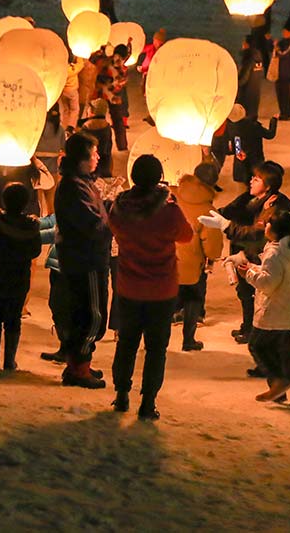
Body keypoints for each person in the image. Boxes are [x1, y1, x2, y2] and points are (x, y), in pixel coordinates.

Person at [107, 154, 193, 420]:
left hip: (129, 286)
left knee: (127, 343)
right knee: (156, 348)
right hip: (161, 289)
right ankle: (148, 402)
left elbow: (112, 228)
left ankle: (122, 394)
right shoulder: (168, 211)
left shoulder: (120, 208)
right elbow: (186, 235)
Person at [205, 161, 290, 344]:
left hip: (255, 254)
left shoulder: (275, 206)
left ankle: (254, 330)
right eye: (253, 177)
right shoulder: (249, 198)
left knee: (253, 293)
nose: (252, 181)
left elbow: (256, 233)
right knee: (243, 291)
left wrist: (227, 225)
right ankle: (247, 325)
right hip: (241, 250)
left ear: (268, 186)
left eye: (257, 179)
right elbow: (229, 211)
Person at [54, 131, 113, 390]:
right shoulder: (74, 187)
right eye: (94, 153)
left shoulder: (81, 182)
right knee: (92, 316)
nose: (98, 157)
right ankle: (78, 368)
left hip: (88, 256)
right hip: (85, 258)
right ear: (82, 158)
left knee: (86, 313)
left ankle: (80, 364)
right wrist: (112, 216)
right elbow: (92, 224)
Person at [235, 210, 290, 402]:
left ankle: (280, 380)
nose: (264, 226)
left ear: (275, 230)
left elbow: (268, 283)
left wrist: (248, 275)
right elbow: (276, 274)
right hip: (286, 306)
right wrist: (253, 267)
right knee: (280, 342)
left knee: (258, 345)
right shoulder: (289, 247)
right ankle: (286, 381)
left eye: (267, 224)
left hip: (273, 309)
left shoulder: (275, 253)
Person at [0, 182, 42, 370]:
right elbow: (35, 251)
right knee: (13, 319)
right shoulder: (30, 227)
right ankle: (10, 359)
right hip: (19, 279)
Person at [174, 160, 223, 351]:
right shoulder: (208, 211)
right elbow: (212, 246)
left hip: (167, 259)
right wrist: (211, 257)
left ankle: (156, 341)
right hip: (192, 263)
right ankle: (188, 340)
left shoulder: (174, 194)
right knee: (194, 297)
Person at [229, 108, 278, 185]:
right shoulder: (254, 126)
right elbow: (270, 135)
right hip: (255, 159)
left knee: (242, 188)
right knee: (257, 184)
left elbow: (236, 144)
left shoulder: (231, 128)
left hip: (241, 164)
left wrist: (238, 152)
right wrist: (274, 120)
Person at [271, 27, 290, 120]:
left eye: (286, 31)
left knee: (285, 93)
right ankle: (283, 112)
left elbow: (284, 54)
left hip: (286, 72)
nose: (284, 33)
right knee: (280, 93)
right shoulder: (282, 42)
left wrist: (276, 48)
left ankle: (287, 113)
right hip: (279, 72)